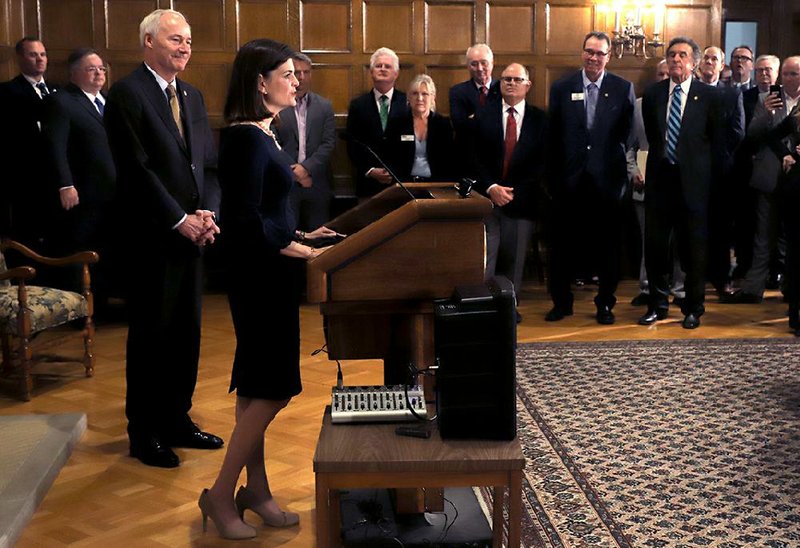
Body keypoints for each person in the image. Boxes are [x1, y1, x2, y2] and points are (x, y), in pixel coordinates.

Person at [199, 38, 335, 540]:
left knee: (257, 387)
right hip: (258, 279)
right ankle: (218, 496)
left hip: (271, 272)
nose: (296, 81)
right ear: (260, 82)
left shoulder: (265, 133)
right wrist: (303, 252)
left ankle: (255, 491)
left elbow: (271, 212)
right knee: (273, 391)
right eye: (286, 74)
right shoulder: (243, 138)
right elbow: (245, 220)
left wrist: (303, 236)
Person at [105, 9, 223, 468]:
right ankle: (144, 431)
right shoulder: (127, 94)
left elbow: (207, 165)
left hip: (193, 237)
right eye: (176, 39)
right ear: (149, 42)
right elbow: (136, 170)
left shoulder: (191, 96)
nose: (185, 47)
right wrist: (178, 219)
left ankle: (177, 419)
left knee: (186, 335)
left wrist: (208, 212)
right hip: (153, 237)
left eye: (189, 41)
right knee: (152, 336)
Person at [545, 31, 635, 325]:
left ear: (609, 57)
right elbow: (554, 135)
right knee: (561, 248)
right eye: (589, 52)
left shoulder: (623, 88)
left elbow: (627, 135)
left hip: (606, 183)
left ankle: (605, 304)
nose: (593, 58)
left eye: (600, 53)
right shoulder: (561, 87)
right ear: (582, 53)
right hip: (568, 183)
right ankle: (561, 303)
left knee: (608, 249)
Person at [639, 36, 724, 329]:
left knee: (693, 251)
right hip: (661, 183)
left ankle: (693, 308)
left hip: (694, 186)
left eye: (682, 55)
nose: (676, 59)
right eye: (672, 54)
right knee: (656, 248)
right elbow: (654, 137)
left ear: (694, 61)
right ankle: (657, 306)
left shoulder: (710, 96)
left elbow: (716, 143)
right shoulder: (653, 94)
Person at [41, 48, 117, 306]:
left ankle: (101, 302)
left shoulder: (107, 100)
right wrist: (65, 184)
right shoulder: (61, 101)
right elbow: (55, 146)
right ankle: (76, 306)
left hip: (110, 192)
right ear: (74, 73)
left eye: (102, 69)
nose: (98, 74)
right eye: (91, 69)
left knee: (104, 247)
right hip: (81, 191)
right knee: (79, 248)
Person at [725, 56, 800, 303]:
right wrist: (766, 114)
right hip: (769, 177)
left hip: (797, 180)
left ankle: (792, 290)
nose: (791, 78)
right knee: (762, 237)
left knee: (793, 240)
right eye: (787, 74)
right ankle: (753, 289)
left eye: (795, 73)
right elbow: (752, 136)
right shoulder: (768, 101)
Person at [472, 63, 547, 309]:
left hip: (522, 200)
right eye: (506, 79)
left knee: (513, 261)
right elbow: (475, 158)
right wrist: (492, 187)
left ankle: (507, 310)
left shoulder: (540, 119)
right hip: (487, 200)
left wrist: (515, 192)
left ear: (528, 85)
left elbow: (542, 163)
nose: (511, 83)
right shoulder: (484, 115)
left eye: (517, 79)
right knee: (486, 260)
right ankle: (485, 309)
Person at [627, 60, 686, 308]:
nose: (665, 78)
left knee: (681, 243)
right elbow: (628, 147)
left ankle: (680, 289)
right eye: (660, 74)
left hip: (681, 184)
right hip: (646, 185)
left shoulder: (688, 104)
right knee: (649, 242)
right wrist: (634, 171)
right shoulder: (640, 106)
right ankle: (648, 288)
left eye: (668, 74)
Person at [0, 37, 57, 246]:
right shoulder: (6, 92)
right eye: (33, 55)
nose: (39, 59)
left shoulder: (57, 90)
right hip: (25, 178)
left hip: (56, 178)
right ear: (20, 58)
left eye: (42, 54)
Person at [698, 46, 745, 297]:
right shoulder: (690, 91)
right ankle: (693, 276)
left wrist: (715, 156)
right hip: (693, 171)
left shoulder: (732, 94)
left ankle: (720, 278)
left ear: (721, 65)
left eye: (714, 58)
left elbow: (738, 131)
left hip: (721, 172)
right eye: (705, 58)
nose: (709, 62)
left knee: (721, 228)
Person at [275, 52, 336, 232]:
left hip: (317, 183)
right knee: (287, 236)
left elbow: (328, 143)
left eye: (306, 72)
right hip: (285, 183)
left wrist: (306, 169)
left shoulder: (324, 106)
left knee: (320, 237)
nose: (301, 78)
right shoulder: (277, 104)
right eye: (296, 72)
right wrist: (297, 173)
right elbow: (273, 142)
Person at [346, 47, 409, 197]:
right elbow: (352, 143)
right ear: (371, 72)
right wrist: (370, 170)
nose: (382, 69)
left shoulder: (408, 103)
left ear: (396, 73)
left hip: (401, 184)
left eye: (388, 66)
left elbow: (411, 142)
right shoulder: (358, 105)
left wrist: (394, 171)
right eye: (378, 66)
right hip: (368, 184)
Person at [384, 74, 454, 181]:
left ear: (433, 97)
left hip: (436, 183)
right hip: (404, 183)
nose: (419, 98)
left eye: (425, 94)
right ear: (408, 97)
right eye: (415, 93)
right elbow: (390, 155)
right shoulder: (397, 123)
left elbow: (448, 159)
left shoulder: (442, 124)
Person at [449, 43, 500, 172]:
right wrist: (492, 116)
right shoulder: (457, 92)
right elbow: (460, 126)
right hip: (467, 159)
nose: (479, 68)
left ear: (492, 63)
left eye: (484, 63)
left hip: (498, 159)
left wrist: (474, 117)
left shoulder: (503, 90)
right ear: (468, 66)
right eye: (474, 64)